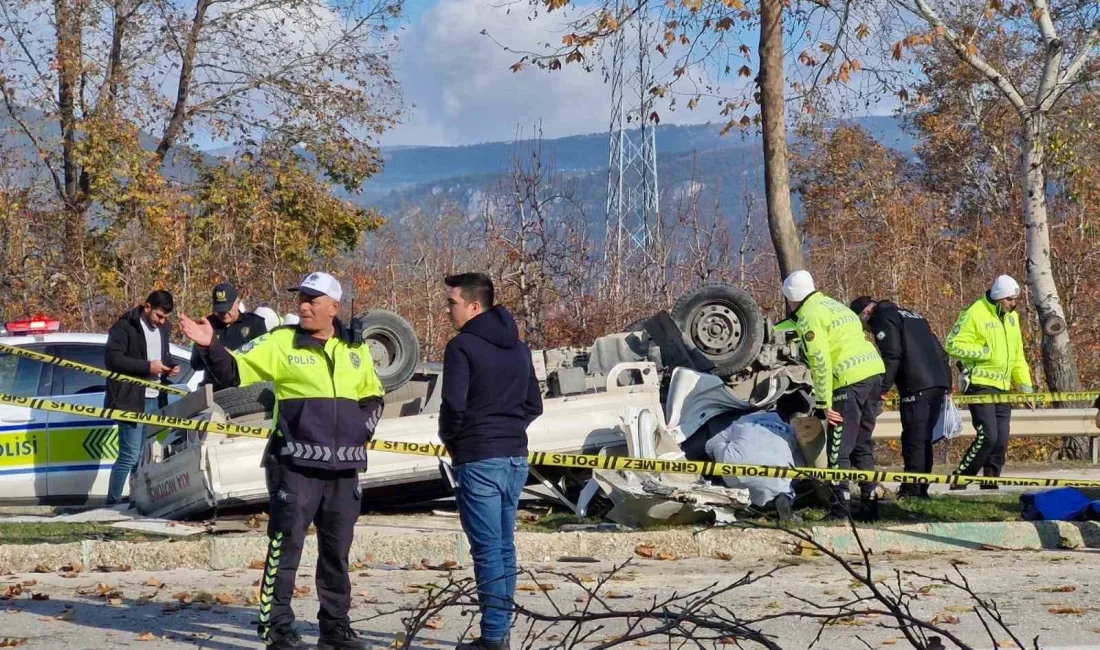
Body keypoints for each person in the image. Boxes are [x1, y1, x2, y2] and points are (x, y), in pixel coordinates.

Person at [179, 272, 384, 650]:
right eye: (301, 299)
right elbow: (233, 372)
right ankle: (278, 629)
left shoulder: (355, 350)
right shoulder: (281, 343)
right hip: (295, 465)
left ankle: (335, 627)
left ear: (333, 308)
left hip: (345, 469)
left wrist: (359, 431)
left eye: (313, 300)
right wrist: (211, 347)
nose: (304, 306)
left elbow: (374, 396)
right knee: (284, 549)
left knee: (337, 553)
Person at [439, 273, 543, 650]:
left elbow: (453, 405)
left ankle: (495, 637)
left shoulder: (461, 348)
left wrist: (453, 439)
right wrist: (510, 428)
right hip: (515, 457)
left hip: (479, 457)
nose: (447, 309)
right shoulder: (519, 349)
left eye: (452, 303)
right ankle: (500, 632)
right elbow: (534, 404)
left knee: (487, 550)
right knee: (504, 547)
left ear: (474, 305)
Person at [779, 270, 886, 520]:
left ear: (792, 297)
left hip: (848, 381)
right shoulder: (835, 306)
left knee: (839, 449)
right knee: (861, 443)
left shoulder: (809, 317)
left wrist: (825, 403)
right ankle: (870, 506)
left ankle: (840, 509)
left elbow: (820, 362)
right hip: (873, 374)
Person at [851, 297, 952, 499]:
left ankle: (912, 490)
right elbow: (940, 352)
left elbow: (892, 354)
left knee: (914, 439)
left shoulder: (882, 317)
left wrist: (883, 387)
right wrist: (947, 382)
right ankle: (921, 488)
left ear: (865, 314)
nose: (867, 331)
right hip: (937, 381)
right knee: (923, 438)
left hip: (916, 383)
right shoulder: (914, 315)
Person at [944, 275, 1034, 489]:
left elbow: (1017, 355)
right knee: (988, 436)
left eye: (1015, 300)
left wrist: (1026, 387)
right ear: (999, 297)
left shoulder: (1012, 318)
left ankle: (990, 483)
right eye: (1010, 299)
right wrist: (983, 352)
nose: (1014, 304)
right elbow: (952, 344)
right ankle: (961, 478)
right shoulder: (974, 313)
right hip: (980, 384)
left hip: (1003, 387)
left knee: (1001, 440)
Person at [103, 290, 180, 506]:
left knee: (145, 456)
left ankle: (136, 499)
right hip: (130, 400)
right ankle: (113, 501)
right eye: (158, 316)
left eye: (165, 317)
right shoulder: (124, 326)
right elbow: (113, 360)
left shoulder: (164, 328)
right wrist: (147, 367)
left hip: (156, 398)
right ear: (147, 307)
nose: (161, 321)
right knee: (129, 454)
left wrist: (170, 367)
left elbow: (162, 356)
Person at [189, 283, 269, 392]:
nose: (224, 314)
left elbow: (264, 361)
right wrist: (210, 351)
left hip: (246, 390)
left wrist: (234, 356)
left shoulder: (254, 323)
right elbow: (196, 364)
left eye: (228, 309)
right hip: (214, 390)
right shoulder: (208, 325)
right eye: (220, 310)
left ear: (237, 304)